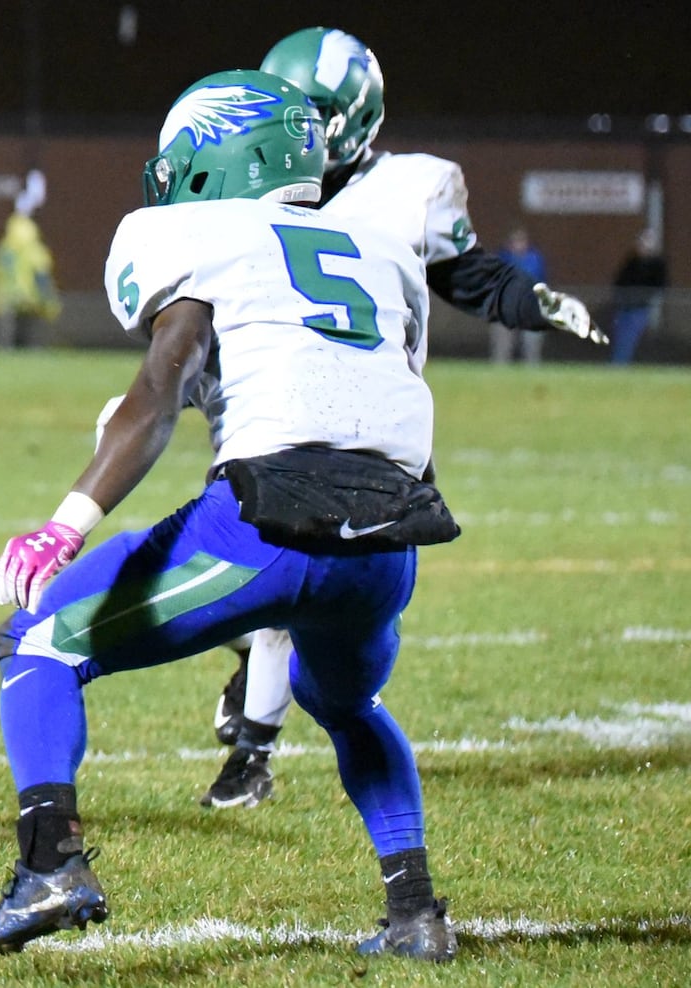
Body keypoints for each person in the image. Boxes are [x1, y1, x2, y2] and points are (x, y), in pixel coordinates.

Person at [0, 68, 459, 962]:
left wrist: (66, 522)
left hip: (267, 523)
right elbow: (378, 395)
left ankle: (49, 869)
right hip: (395, 534)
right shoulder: (382, 248)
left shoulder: (196, 233)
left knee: (35, 642)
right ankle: (416, 912)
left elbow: (161, 384)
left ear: (225, 151)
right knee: (344, 700)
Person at [178, 27, 607, 810]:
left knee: (296, 599)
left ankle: (252, 754)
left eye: (306, 113)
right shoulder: (254, 187)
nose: (290, 129)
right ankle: (254, 701)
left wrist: (532, 302)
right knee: (266, 595)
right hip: (270, 406)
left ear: (348, 120)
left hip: (369, 426)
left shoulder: (408, 191)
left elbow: (468, 275)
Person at [0, 210, 62, 348]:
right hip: (32, 299)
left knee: (8, 338)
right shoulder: (35, 250)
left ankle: (6, 356)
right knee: (33, 335)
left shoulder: (3, 250)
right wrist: (50, 301)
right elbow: (42, 277)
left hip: (8, 299)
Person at [490, 228, 548, 365]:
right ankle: (500, 368)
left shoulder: (535, 259)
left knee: (531, 342)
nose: (518, 244)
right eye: (515, 241)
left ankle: (532, 367)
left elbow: (542, 282)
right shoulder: (503, 258)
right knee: (502, 342)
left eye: (521, 241)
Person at [608, 228, 667, 364]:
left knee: (630, 337)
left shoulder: (657, 264)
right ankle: (617, 363)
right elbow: (620, 280)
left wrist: (644, 296)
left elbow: (660, 285)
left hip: (640, 307)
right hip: (624, 306)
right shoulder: (632, 261)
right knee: (620, 336)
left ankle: (621, 363)